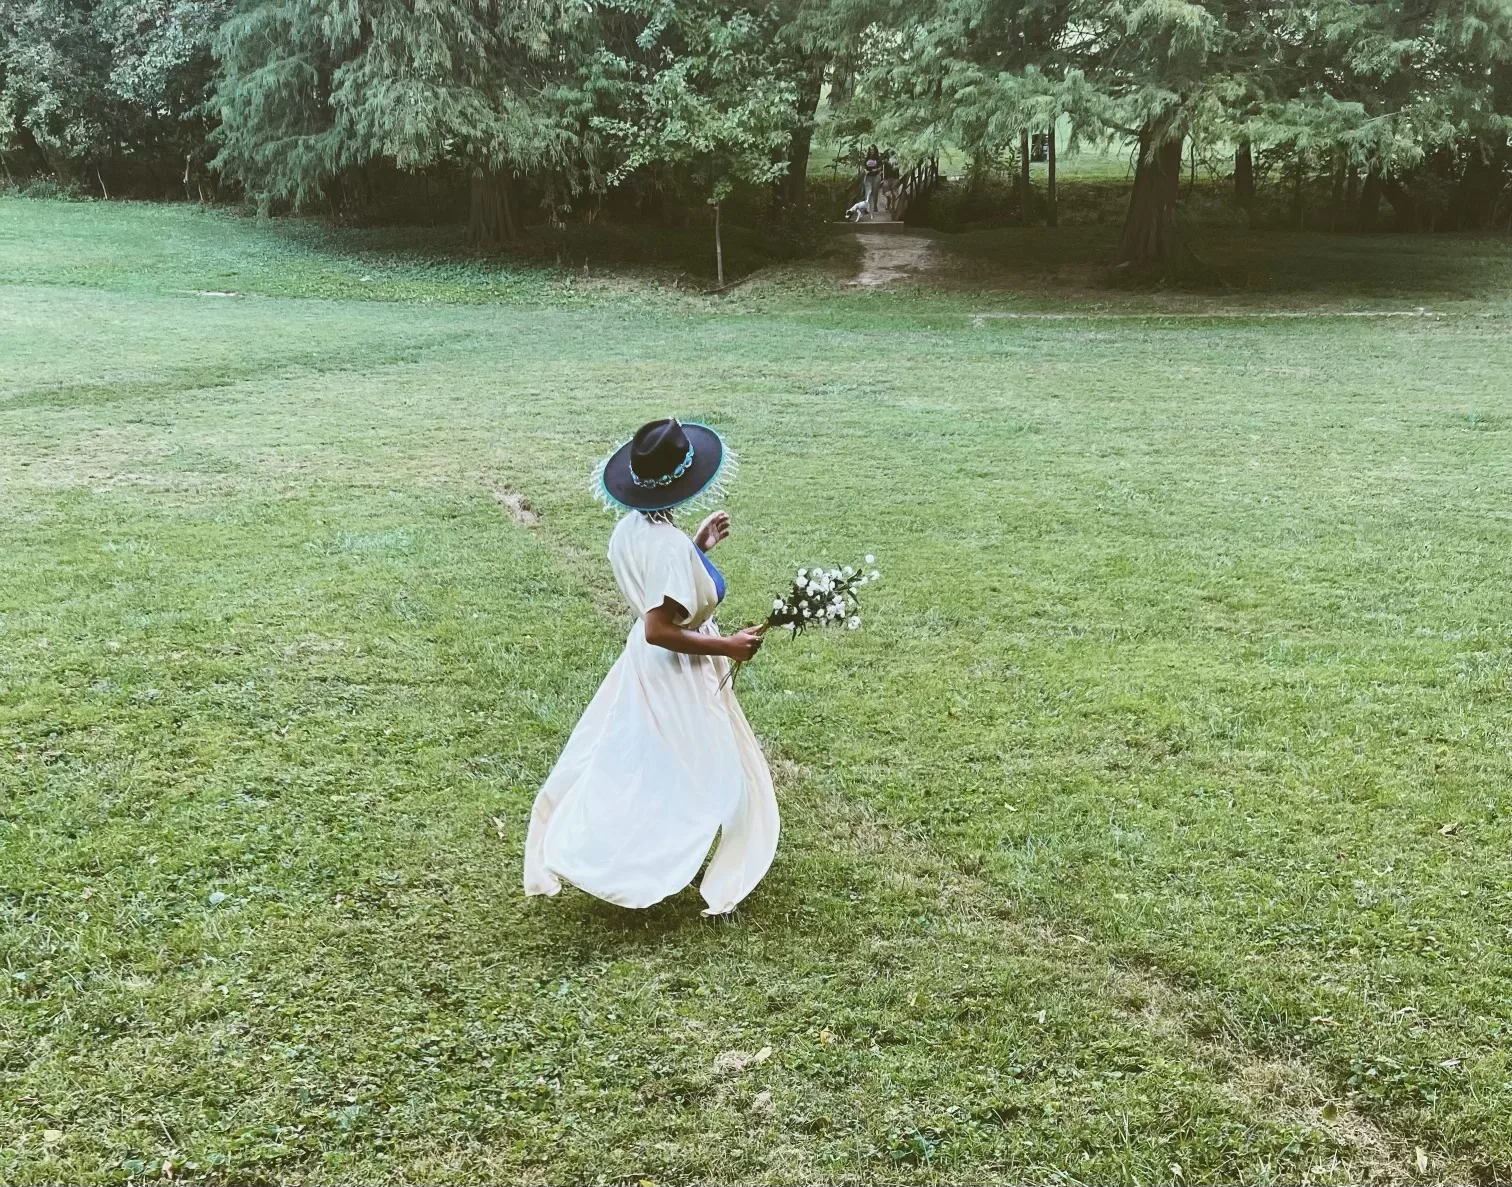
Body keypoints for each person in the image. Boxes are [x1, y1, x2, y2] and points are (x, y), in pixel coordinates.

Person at [523, 419, 779, 915]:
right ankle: (640, 862)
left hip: (644, 667)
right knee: (703, 766)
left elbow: (657, 582)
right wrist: (727, 645)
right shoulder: (663, 543)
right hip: (675, 668)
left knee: (644, 756)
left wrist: (695, 548)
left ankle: (620, 844)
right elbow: (658, 628)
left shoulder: (633, 528)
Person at [863, 144, 884, 213]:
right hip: (868, 176)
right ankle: (866, 208)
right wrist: (865, 170)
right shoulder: (867, 158)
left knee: (875, 192)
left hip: (876, 176)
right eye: (870, 150)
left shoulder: (878, 158)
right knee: (867, 192)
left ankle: (875, 206)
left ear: (875, 150)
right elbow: (864, 166)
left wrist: (877, 169)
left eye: (873, 150)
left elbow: (881, 167)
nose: (871, 151)